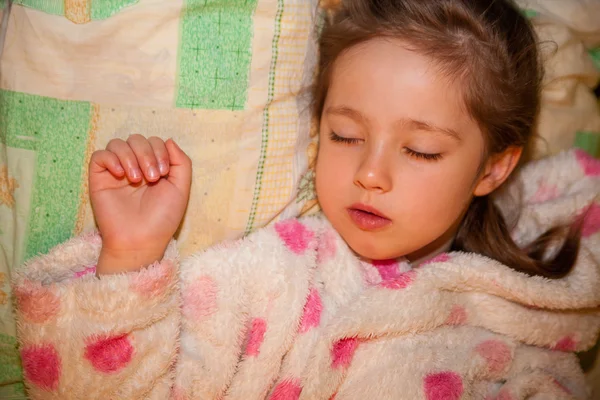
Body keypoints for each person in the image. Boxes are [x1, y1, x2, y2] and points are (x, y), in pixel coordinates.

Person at [13, 0, 600, 399]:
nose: (370, 173)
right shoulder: (277, 277)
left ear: (494, 167)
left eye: (420, 150)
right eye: (345, 136)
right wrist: (132, 253)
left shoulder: (536, 317)